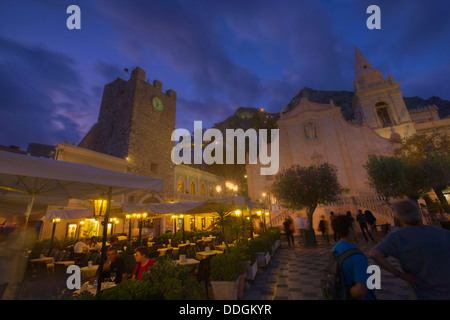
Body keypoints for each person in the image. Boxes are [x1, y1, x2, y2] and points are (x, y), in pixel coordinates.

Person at [369, 199, 450, 300]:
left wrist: (399, 274)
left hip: (424, 292)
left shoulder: (398, 237)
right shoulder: (444, 233)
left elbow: (374, 253)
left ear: (398, 216)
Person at [331, 215, 375, 300]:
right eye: (354, 227)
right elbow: (361, 291)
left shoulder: (334, 249)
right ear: (350, 229)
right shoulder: (357, 256)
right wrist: (343, 293)